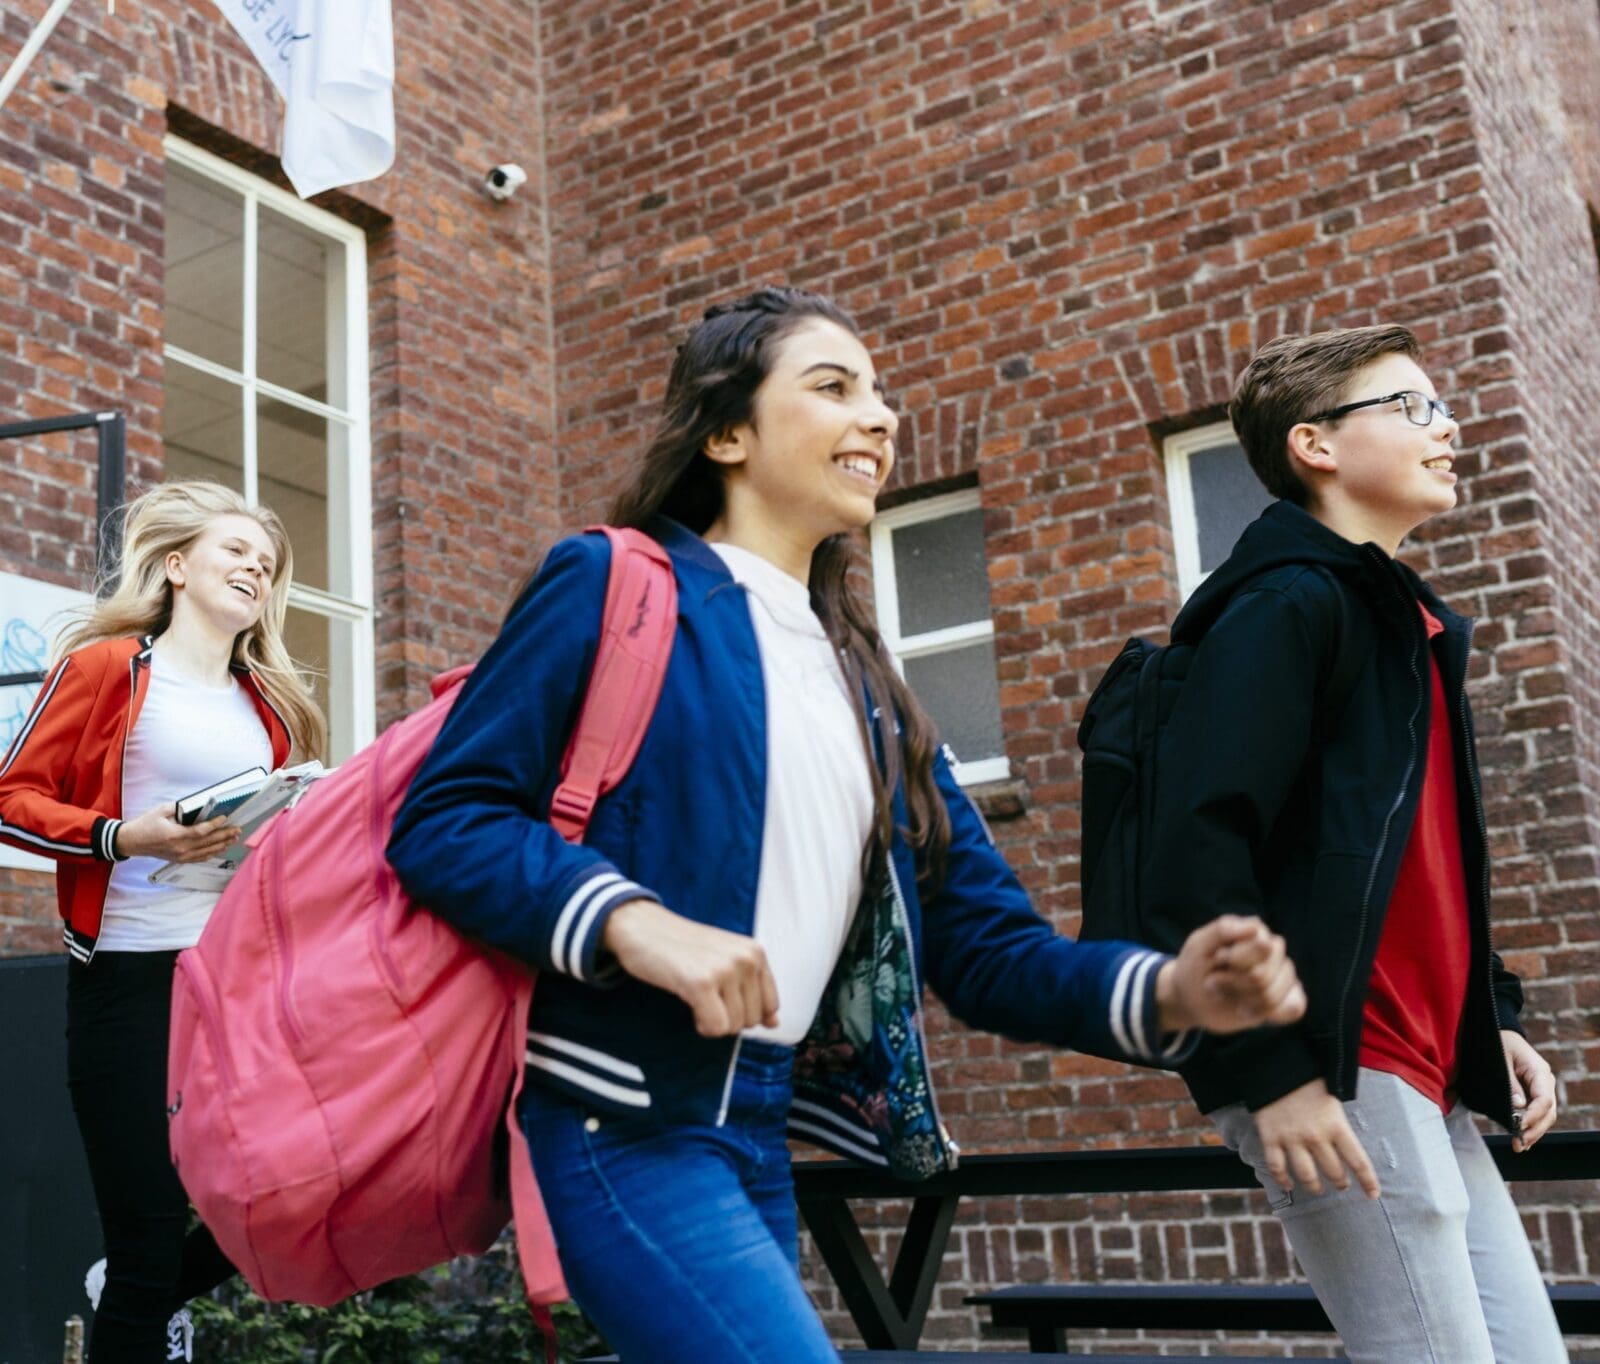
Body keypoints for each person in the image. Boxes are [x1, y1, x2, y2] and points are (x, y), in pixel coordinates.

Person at [386, 286, 1306, 1363]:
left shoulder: (866, 683)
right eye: (833, 388)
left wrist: (1170, 989)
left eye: (881, 394)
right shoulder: (614, 583)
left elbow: (984, 947)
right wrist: (632, 920)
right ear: (726, 430)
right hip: (623, 1120)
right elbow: (446, 817)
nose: (879, 415)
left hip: (760, 1134)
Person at [1142, 325, 1565, 1363]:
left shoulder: (1400, 620)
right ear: (1315, 444)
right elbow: (1190, 852)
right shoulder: (1284, 606)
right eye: (1411, 406)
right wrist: (1271, 1069)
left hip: (1424, 1063)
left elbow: (1411, 868)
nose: (1448, 424)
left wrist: (1486, 1011)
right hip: (1333, 1065)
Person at [0, 481, 324, 1362]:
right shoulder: (109, 670)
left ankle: (139, 1291)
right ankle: (139, 1294)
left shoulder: (273, 709)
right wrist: (121, 835)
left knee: (300, 1185)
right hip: (129, 982)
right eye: (236, 553)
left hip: (234, 982)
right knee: (145, 1237)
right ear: (177, 566)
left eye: (267, 564)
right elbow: (11, 800)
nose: (256, 570)